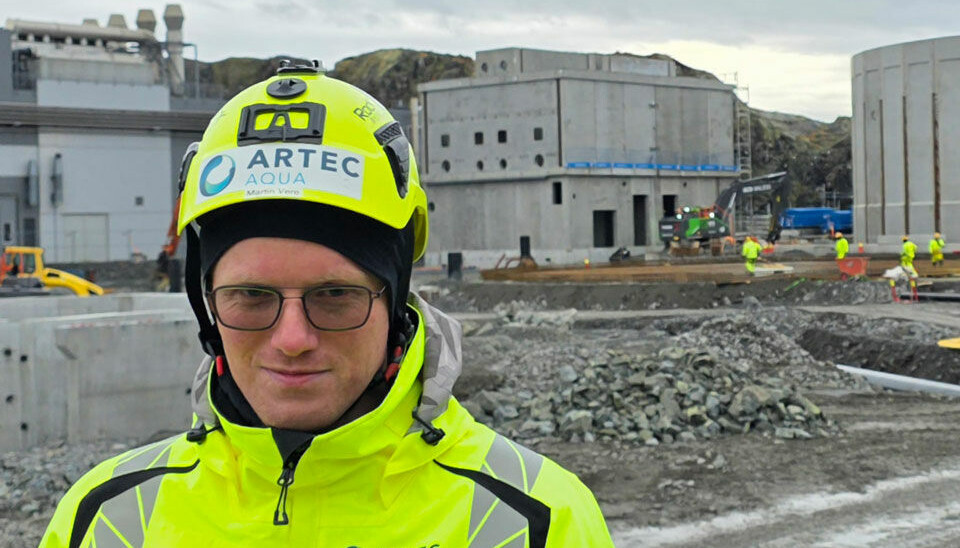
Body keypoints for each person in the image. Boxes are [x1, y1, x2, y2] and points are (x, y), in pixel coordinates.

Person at [40, 63, 614, 547]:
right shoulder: (103, 522)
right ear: (207, 305)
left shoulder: (537, 522)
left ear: (395, 300)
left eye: (335, 296)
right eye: (251, 297)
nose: (292, 339)